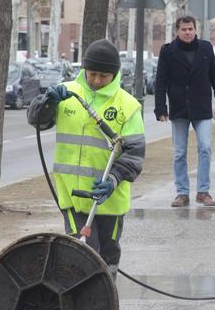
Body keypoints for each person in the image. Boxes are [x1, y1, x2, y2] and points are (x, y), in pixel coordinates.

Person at [27, 39, 145, 279]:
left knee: (108, 253)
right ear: (84, 69)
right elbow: (37, 120)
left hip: (111, 200)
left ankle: (107, 295)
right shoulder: (67, 93)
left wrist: (113, 179)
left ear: (114, 74)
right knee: (83, 254)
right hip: (73, 196)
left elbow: (134, 153)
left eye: (103, 76)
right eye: (92, 74)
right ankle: (82, 299)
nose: (97, 80)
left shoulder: (128, 105)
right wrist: (47, 102)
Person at [154, 15, 215, 208]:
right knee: (179, 152)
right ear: (177, 31)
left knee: (205, 147)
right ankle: (182, 192)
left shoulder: (205, 48)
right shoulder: (168, 51)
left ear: (195, 30)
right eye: (184, 29)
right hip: (179, 108)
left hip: (201, 107)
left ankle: (203, 192)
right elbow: (160, 81)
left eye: (190, 29)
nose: (188, 32)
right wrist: (160, 107)